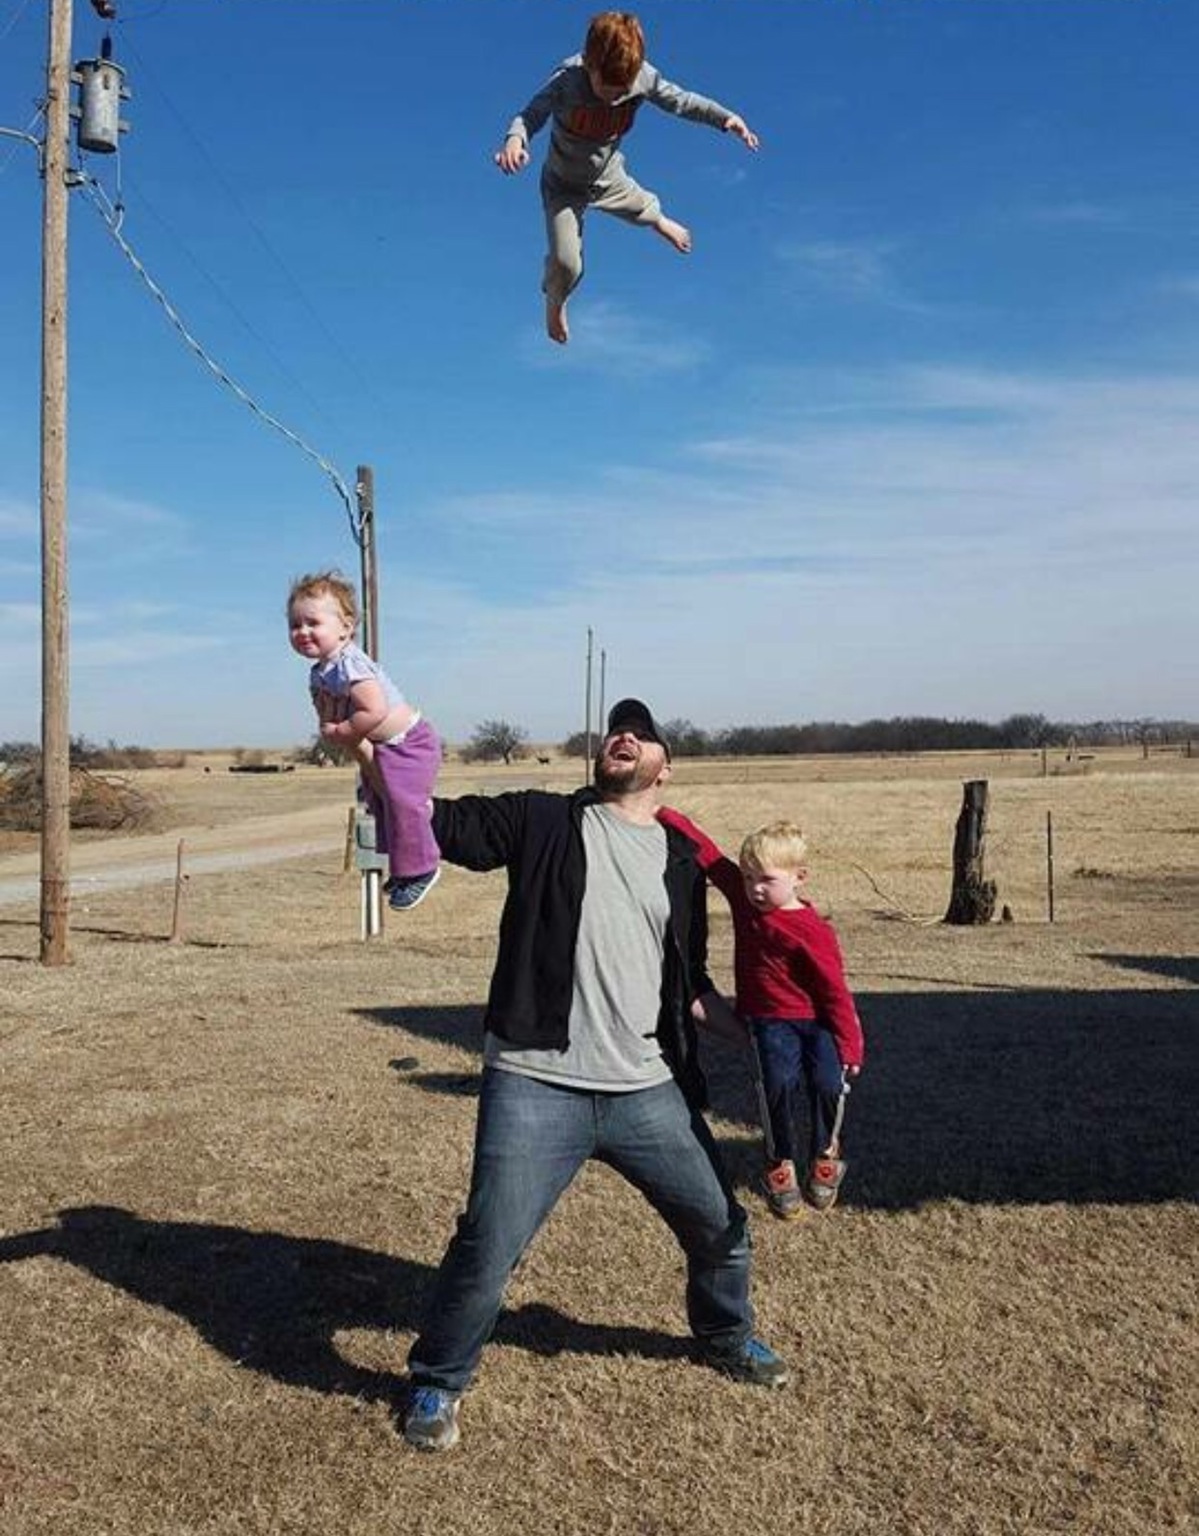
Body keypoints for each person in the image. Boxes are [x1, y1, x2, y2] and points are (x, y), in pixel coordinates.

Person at [402, 698, 788, 1453]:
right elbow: (439, 823)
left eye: (642, 733)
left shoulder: (679, 863)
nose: (625, 735)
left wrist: (765, 1039)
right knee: (487, 1243)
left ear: (663, 768)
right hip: (536, 1080)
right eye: (617, 729)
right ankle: (438, 1380)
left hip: (647, 1088)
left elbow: (690, 984)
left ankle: (724, 1335)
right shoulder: (542, 820)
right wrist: (381, 750)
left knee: (722, 1230)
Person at [494, 10, 759, 344]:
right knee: (567, 264)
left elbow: (682, 101)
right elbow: (529, 115)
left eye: (623, 90)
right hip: (563, 184)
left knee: (637, 205)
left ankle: (658, 219)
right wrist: (514, 141)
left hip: (607, 174)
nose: (617, 97)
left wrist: (726, 118)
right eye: (609, 89)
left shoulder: (640, 79)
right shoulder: (567, 80)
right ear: (590, 64)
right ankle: (555, 301)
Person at [657, 807, 865, 1221]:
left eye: (766, 880)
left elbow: (834, 990)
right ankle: (780, 1162)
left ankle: (825, 1151)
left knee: (827, 1083)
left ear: (798, 877)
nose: (754, 889)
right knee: (777, 1084)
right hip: (768, 1021)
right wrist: (662, 812)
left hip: (816, 1021)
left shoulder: (813, 930)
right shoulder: (745, 901)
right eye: (750, 878)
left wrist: (850, 1044)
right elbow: (711, 857)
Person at [287, 571, 441, 911]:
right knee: (378, 800)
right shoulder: (321, 671)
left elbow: (374, 708)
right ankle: (403, 869)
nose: (302, 632)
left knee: (403, 804)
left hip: (409, 744)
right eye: (295, 625)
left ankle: (423, 868)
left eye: (313, 622)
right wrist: (333, 726)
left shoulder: (350, 663)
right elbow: (329, 715)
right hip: (387, 749)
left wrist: (342, 732)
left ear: (346, 627)